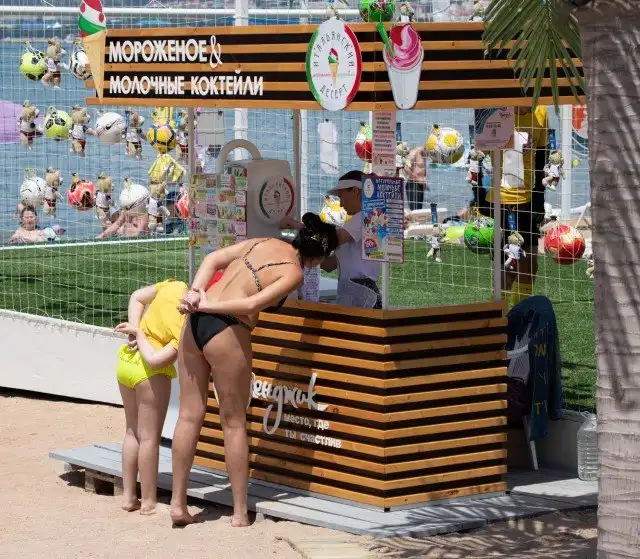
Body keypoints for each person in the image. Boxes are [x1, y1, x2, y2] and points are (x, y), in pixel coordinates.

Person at [170, 213, 338, 528]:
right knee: (234, 422)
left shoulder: (264, 241)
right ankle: (239, 512)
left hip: (192, 325)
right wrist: (206, 305)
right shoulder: (294, 272)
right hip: (226, 327)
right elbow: (250, 305)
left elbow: (212, 259)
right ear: (318, 258)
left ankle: (178, 504)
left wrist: (195, 294)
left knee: (189, 416)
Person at [113, 279, 188, 515]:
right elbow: (155, 361)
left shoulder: (173, 285)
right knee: (149, 438)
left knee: (131, 431)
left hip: (126, 362)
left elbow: (136, 296)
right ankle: (148, 501)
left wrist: (136, 332)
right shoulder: (184, 326)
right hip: (150, 374)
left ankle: (128, 497)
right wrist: (139, 335)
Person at [481, 105, 549, 306]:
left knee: (531, 261)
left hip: (528, 199)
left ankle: (522, 310)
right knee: (508, 262)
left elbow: (542, 155)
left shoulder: (541, 111)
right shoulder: (497, 110)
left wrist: (539, 194)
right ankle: (499, 310)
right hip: (502, 200)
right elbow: (480, 153)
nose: (530, 107)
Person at [283, 171, 381, 308]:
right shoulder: (354, 224)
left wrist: (296, 228)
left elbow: (330, 238)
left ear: (355, 191)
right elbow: (329, 265)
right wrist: (304, 253)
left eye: (341, 196)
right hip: (354, 291)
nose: (340, 204)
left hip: (362, 293)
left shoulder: (366, 216)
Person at [403, 145, 428, 212]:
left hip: (420, 185)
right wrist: (416, 177)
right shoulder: (413, 153)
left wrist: (425, 182)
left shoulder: (423, 155)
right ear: (425, 148)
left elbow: (423, 170)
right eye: (428, 152)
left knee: (419, 210)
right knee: (414, 210)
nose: (428, 155)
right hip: (413, 185)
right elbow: (405, 167)